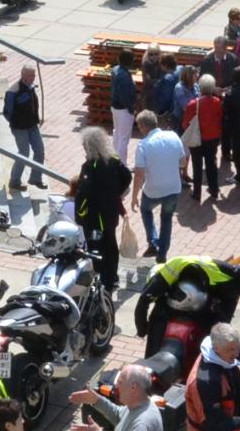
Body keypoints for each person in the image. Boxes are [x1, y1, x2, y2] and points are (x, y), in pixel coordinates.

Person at [70, 126, 131, 290]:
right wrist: (115, 194)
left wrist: (80, 216)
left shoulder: (89, 166)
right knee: (111, 245)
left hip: (95, 218)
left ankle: (102, 280)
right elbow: (127, 176)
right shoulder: (114, 160)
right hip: (110, 215)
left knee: (96, 249)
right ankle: (113, 278)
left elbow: (83, 195)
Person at [131, 109, 186, 260]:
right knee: (166, 219)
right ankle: (162, 254)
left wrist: (134, 195)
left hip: (153, 190)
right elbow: (182, 162)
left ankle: (153, 242)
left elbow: (139, 173)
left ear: (144, 126)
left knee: (145, 210)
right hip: (173, 188)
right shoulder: (173, 136)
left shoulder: (143, 145)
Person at [3, 66, 45, 192]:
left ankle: (35, 178)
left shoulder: (31, 87)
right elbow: (7, 112)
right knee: (24, 154)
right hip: (20, 128)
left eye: (34, 75)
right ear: (23, 75)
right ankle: (14, 181)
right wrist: (16, 123)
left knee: (40, 151)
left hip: (33, 126)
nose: (33, 78)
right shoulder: (13, 91)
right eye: (30, 75)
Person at [182, 77, 223, 204]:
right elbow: (220, 118)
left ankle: (197, 192)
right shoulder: (217, 101)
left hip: (197, 139)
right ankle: (214, 189)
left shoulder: (193, 103)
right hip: (212, 138)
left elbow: (185, 123)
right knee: (211, 163)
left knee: (197, 165)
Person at [109, 49, 138, 164]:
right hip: (123, 110)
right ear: (131, 62)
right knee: (124, 139)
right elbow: (125, 96)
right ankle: (122, 165)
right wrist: (131, 109)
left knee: (117, 133)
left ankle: (114, 160)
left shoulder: (115, 70)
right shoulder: (125, 77)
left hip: (115, 107)